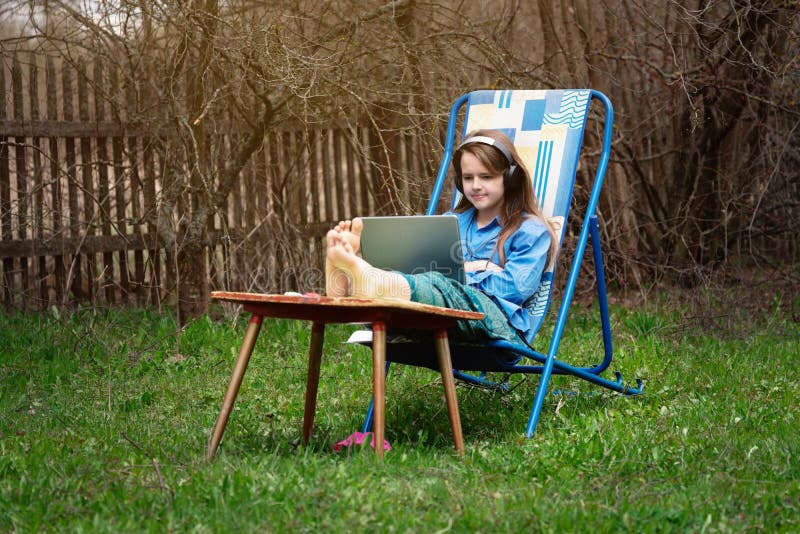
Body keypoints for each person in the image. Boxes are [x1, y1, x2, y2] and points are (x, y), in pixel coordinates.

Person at [325, 129, 557, 347]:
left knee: (439, 286)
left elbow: (515, 288)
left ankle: (367, 281)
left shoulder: (531, 230)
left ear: (510, 178)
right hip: (436, 313)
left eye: (486, 176)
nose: (475, 186)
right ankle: (354, 280)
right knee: (412, 292)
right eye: (467, 178)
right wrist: (475, 268)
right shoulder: (451, 221)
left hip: (495, 321)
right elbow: (419, 270)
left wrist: (461, 275)